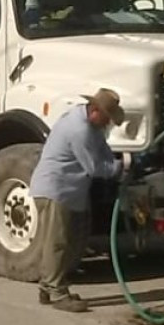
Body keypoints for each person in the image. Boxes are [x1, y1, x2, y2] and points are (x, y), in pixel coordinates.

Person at [29, 88, 133, 312]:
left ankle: (49, 288)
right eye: (107, 118)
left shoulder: (88, 122)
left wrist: (116, 162)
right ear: (95, 111)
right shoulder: (80, 130)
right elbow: (95, 167)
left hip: (67, 190)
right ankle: (56, 292)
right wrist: (122, 167)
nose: (108, 124)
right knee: (57, 242)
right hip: (56, 190)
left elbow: (102, 150)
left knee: (67, 241)